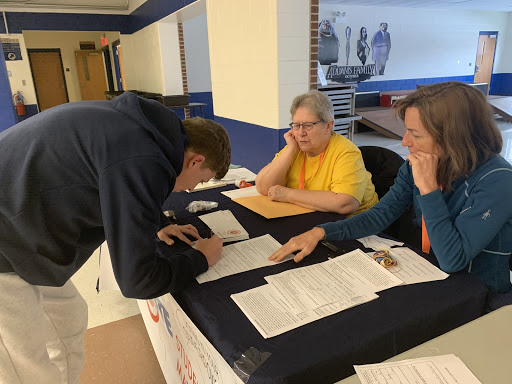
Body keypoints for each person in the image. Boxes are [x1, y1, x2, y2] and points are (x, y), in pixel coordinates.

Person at [0, 91, 231, 384]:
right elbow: (138, 281)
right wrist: (200, 258)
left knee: (67, 320)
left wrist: (158, 221)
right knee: (24, 364)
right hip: (7, 242)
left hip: (24, 226)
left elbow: (116, 180)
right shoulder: (144, 158)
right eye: (199, 181)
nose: (190, 190)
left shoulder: (144, 130)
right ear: (196, 161)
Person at [270, 82, 512, 302]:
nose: (404, 141)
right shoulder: (420, 162)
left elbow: (453, 259)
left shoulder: (498, 180)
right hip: (431, 276)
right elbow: (381, 215)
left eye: (415, 134)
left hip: (481, 296)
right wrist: (322, 231)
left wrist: (428, 189)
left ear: (453, 138)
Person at [255, 90, 378, 216]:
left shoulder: (346, 152)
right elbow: (263, 187)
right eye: (296, 125)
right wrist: (290, 150)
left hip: (355, 224)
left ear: (328, 126)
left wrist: (287, 194)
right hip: (310, 216)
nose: (301, 133)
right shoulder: (296, 147)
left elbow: (345, 204)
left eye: (308, 125)